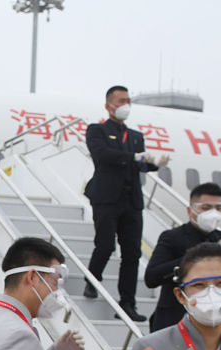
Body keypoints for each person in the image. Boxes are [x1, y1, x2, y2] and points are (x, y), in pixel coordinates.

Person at [83, 85, 170, 323]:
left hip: (131, 201)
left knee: (131, 253)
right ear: (108, 105)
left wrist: (153, 163)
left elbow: (139, 164)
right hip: (106, 198)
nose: (125, 105)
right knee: (105, 245)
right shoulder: (97, 130)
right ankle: (92, 279)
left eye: (128, 100)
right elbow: (103, 156)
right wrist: (133, 157)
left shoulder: (135, 136)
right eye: (121, 101)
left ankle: (127, 303)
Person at [145, 183, 221, 332]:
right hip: (175, 320)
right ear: (190, 210)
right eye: (205, 208)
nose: (213, 213)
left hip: (216, 322)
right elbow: (152, 278)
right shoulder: (173, 237)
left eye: (218, 208)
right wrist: (193, 259)